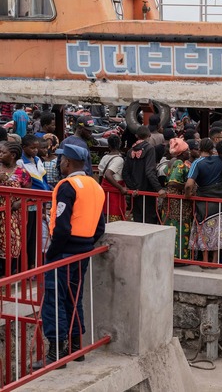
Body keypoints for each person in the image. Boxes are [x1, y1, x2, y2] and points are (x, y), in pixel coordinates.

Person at [33, 144, 105, 370]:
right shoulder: (95, 186)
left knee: (55, 300)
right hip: (83, 250)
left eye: (61, 159)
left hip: (64, 251)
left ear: (68, 162)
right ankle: (75, 348)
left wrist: (53, 253)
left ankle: (56, 352)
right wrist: (84, 244)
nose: (59, 163)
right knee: (74, 297)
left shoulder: (67, 186)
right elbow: (100, 227)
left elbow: (62, 228)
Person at [185, 138, 222, 263]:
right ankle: (216, 261)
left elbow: (189, 184)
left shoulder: (197, 163)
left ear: (200, 148)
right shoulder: (220, 160)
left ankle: (206, 261)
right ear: (212, 148)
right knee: (219, 231)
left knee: (204, 231)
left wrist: (187, 195)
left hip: (205, 202)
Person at [18, 135, 51, 269]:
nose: (35, 151)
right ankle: (24, 265)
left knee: (35, 235)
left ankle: (33, 263)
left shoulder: (38, 160)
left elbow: (43, 179)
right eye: (32, 148)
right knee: (27, 235)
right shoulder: (20, 162)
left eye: (37, 148)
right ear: (24, 147)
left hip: (39, 201)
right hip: (28, 203)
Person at [122, 126, 166, 223]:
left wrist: (133, 188)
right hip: (148, 191)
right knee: (150, 221)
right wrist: (159, 188)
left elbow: (125, 173)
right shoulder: (150, 149)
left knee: (138, 220)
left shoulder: (130, 150)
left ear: (136, 136)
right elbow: (150, 171)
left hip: (135, 192)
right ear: (149, 135)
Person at [0, 142, 31, 275]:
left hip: (12, 214)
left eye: (3, 152)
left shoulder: (22, 172)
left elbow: (29, 193)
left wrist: (18, 203)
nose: (0, 155)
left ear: (12, 155)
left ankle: (7, 274)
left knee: (11, 242)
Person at [162, 138, 193, 260]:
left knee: (170, 227)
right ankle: (180, 257)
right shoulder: (180, 164)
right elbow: (173, 183)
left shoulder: (170, 162)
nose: (189, 152)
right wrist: (186, 187)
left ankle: (169, 256)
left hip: (170, 201)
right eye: (187, 150)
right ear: (182, 152)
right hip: (178, 202)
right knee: (180, 228)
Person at [98, 135, 126, 221]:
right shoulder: (119, 159)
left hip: (104, 190)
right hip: (114, 192)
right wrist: (121, 188)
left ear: (108, 146)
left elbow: (101, 176)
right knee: (114, 215)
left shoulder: (104, 157)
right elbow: (108, 174)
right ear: (120, 144)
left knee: (104, 214)